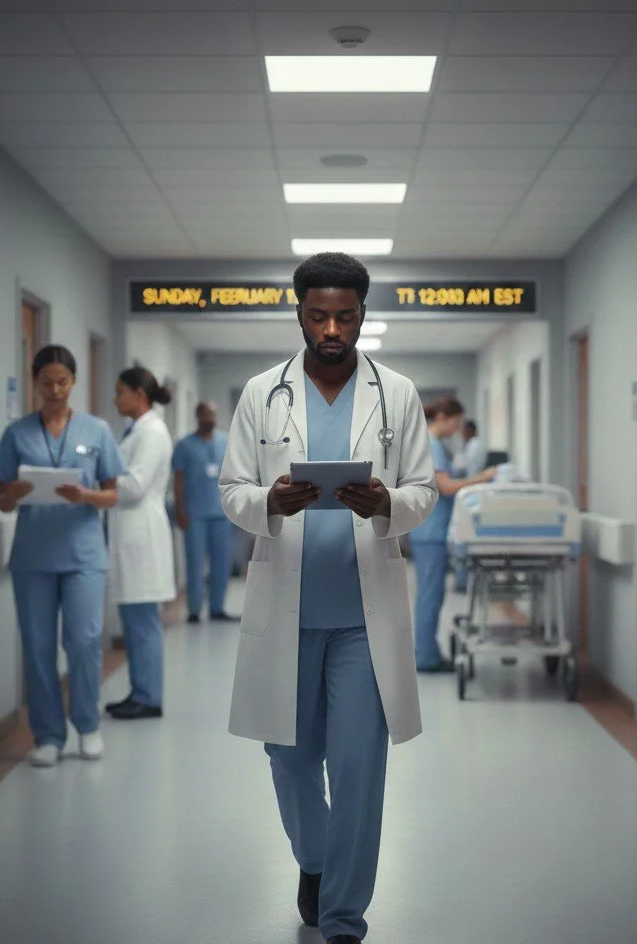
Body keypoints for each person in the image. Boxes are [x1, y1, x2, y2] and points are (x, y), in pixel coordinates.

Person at [218, 252, 436, 944]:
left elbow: (424, 492)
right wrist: (271, 501)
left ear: (363, 315)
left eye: (345, 316)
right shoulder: (263, 392)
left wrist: (386, 503)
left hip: (363, 624)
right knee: (287, 759)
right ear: (300, 314)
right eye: (319, 316)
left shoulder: (396, 393)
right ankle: (314, 862)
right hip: (287, 613)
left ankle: (343, 918)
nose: (332, 329)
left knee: (359, 768)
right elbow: (231, 492)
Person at [0, 345, 126, 767]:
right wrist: (15, 491)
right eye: (46, 383)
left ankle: (87, 725)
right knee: (38, 646)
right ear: (35, 384)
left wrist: (84, 495)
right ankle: (47, 735)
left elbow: (113, 495)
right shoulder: (17, 434)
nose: (54, 390)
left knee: (84, 643)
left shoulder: (96, 431)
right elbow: (2, 503)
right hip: (32, 558)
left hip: (84, 554)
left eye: (62, 382)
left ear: (74, 383)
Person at [105, 367, 177, 720]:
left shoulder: (152, 433)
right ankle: (140, 690)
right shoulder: (137, 430)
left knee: (142, 620)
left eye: (120, 391)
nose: (115, 398)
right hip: (131, 532)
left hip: (141, 532)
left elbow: (134, 487)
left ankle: (148, 697)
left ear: (139, 394)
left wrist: (96, 486)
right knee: (134, 618)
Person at [410, 398, 496, 672]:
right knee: (430, 596)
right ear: (443, 417)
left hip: (431, 529)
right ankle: (425, 657)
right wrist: (483, 478)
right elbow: (445, 487)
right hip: (430, 531)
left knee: (431, 595)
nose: (458, 428)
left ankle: (426, 653)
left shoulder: (436, 444)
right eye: (457, 422)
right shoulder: (431, 444)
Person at [172, 401, 237, 623]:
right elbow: (178, 480)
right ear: (197, 416)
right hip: (195, 513)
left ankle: (217, 607)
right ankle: (194, 609)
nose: (212, 419)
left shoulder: (225, 441)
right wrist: (180, 510)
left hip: (221, 513)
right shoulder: (184, 445)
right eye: (207, 415)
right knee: (195, 562)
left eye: (214, 415)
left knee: (222, 562)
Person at [452, 420, 488, 593]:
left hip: (470, 492)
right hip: (468, 491)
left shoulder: (475, 446)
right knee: (461, 535)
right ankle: (462, 579)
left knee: (463, 536)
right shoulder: (469, 446)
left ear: (470, 430)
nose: (461, 433)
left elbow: (467, 468)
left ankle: (463, 581)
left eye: (463, 430)